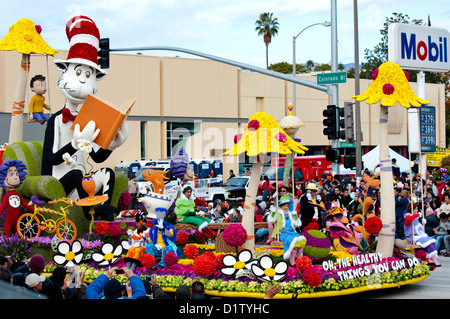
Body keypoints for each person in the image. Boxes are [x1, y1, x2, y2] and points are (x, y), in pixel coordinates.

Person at [0, 160, 35, 236]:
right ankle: (9, 245)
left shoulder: (18, 196)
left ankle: (17, 245)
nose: (15, 177)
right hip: (8, 222)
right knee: (7, 236)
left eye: (16, 173)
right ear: (4, 179)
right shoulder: (6, 196)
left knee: (18, 235)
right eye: (11, 174)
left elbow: (25, 204)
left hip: (18, 221)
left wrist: (35, 210)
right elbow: (1, 207)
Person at [267, 199, 306, 266]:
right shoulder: (278, 214)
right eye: (284, 206)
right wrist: (273, 213)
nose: (286, 207)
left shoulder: (291, 214)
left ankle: (299, 258)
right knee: (294, 241)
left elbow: (297, 224)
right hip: (282, 234)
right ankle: (292, 259)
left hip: (292, 232)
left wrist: (296, 217)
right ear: (281, 206)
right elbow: (271, 220)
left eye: (287, 206)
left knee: (301, 240)